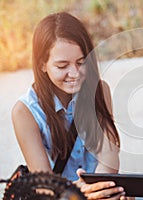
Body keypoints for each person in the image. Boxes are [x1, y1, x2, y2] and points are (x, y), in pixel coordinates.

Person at [12, 12, 131, 200]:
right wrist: (80, 193)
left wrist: (103, 190)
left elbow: (109, 155)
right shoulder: (24, 112)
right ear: (43, 64)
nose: (74, 73)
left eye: (81, 62)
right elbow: (45, 186)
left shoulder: (100, 90)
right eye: (62, 66)